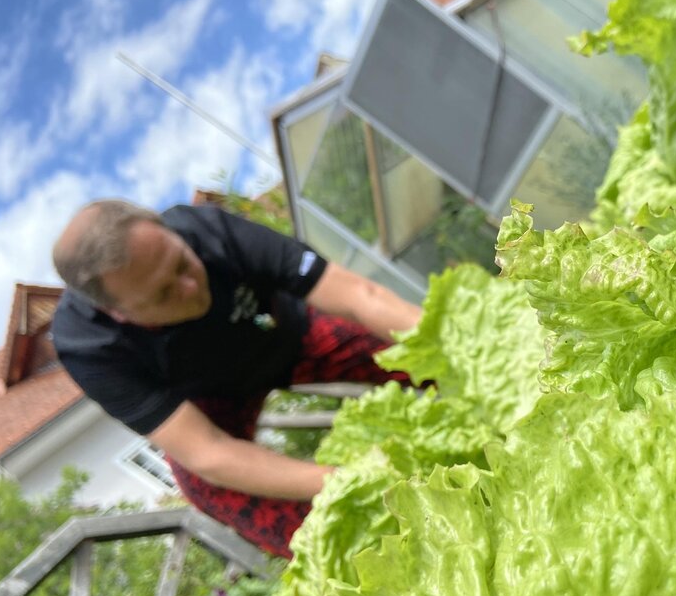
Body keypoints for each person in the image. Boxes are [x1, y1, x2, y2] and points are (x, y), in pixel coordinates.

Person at [50, 198, 421, 557]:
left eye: (182, 263)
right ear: (119, 314)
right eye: (164, 293)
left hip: (283, 334)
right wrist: (350, 480)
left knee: (406, 348)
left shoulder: (207, 228)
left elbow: (359, 295)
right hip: (209, 404)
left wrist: (454, 339)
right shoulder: (88, 346)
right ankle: (373, 559)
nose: (191, 287)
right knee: (211, 489)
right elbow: (208, 451)